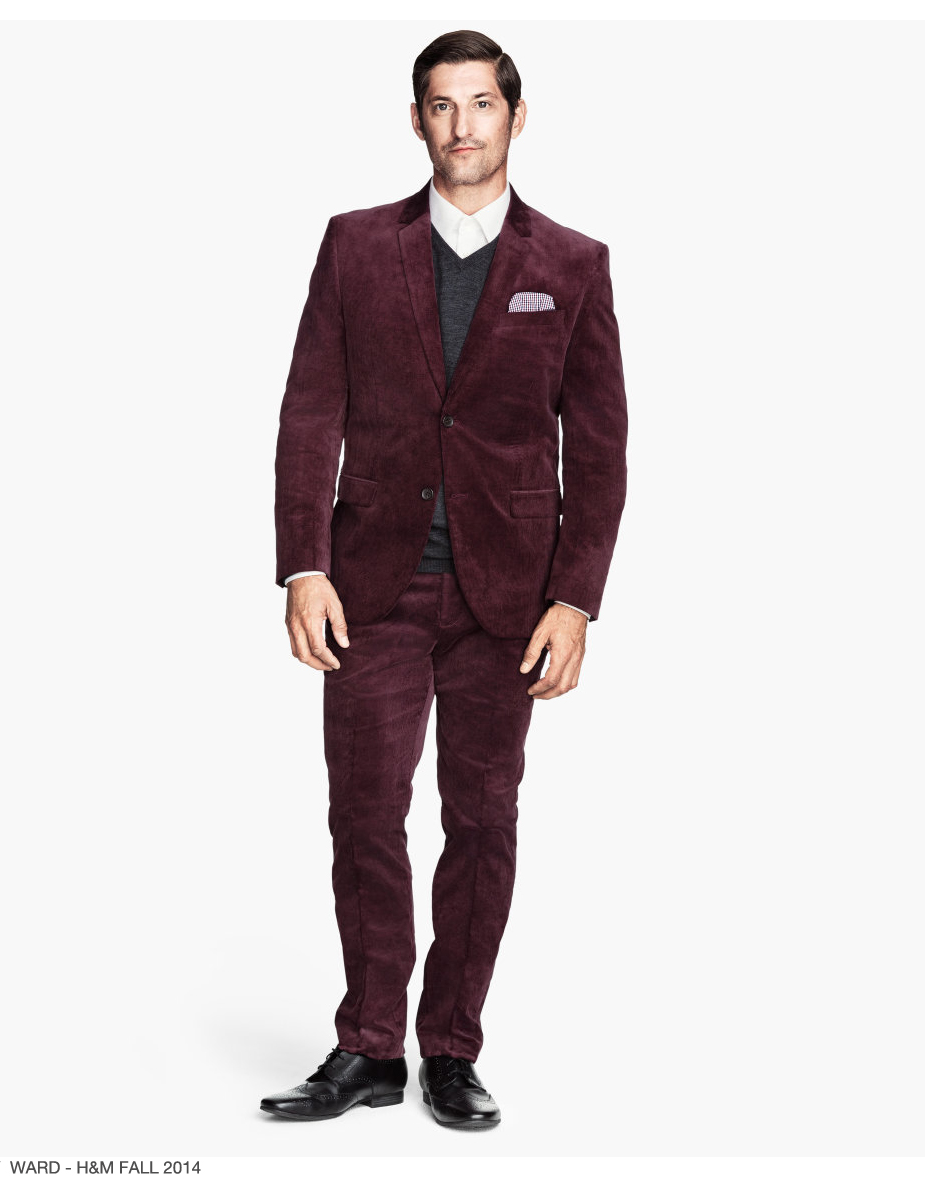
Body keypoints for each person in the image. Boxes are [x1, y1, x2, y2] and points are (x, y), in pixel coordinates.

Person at [260, 28, 627, 1130]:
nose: (462, 125)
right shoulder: (354, 246)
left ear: (517, 116)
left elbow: (599, 447)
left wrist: (575, 599)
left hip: (506, 601)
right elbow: (309, 411)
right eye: (441, 104)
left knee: (482, 820)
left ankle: (452, 1048)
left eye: (481, 103)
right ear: (416, 121)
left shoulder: (573, 264)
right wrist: (302, 564)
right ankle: (370, 1044)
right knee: (364, 815)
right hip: (369, 587)